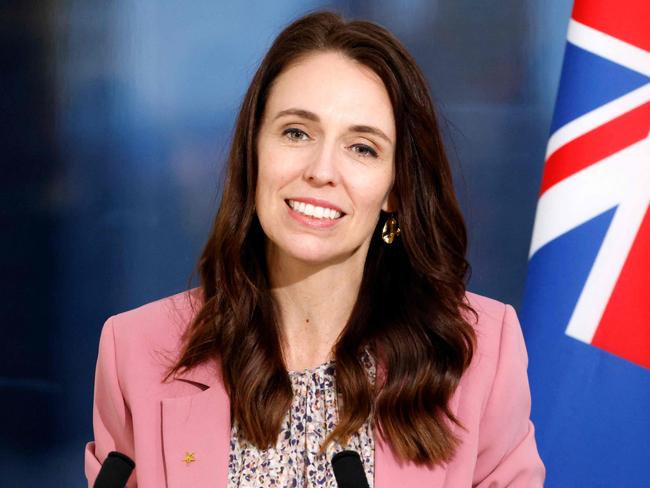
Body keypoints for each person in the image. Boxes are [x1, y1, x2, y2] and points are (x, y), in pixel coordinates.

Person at [85, 10, 545, 488]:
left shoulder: (479, 355)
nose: (321, 170)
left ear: (396, 189)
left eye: (362, 147)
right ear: (254, 150)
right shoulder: (135, 351)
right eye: (296, 133)